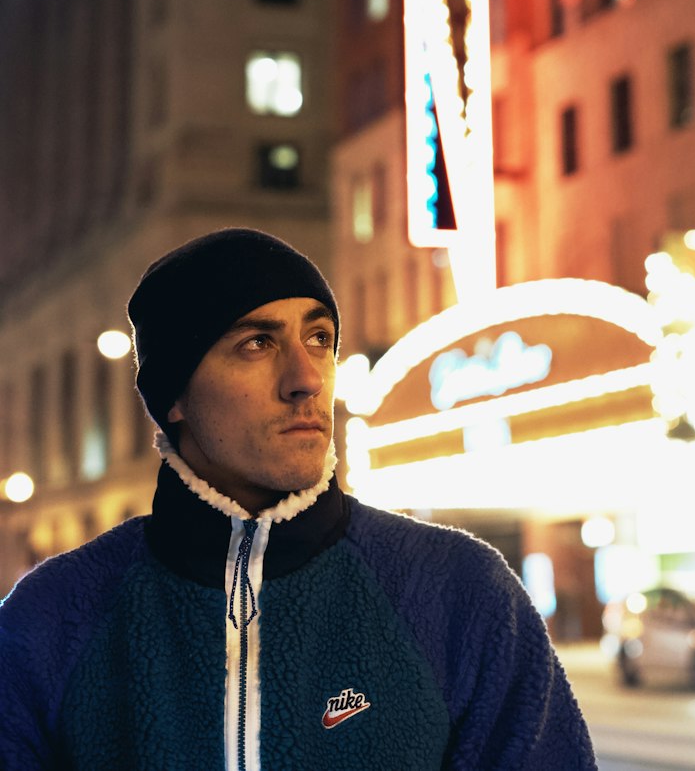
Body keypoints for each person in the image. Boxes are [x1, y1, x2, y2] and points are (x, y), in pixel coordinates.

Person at [0, 228, 599, 770]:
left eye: (319, 338)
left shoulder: (460, 592)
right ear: (174, 394)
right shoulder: (52, 618)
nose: (306, 379)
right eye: (257, 343)